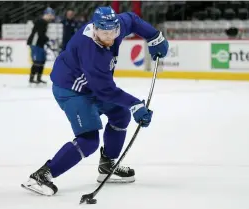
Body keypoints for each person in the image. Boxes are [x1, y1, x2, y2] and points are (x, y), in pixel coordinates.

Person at [21, 6, 169, 196]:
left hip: (92, 86)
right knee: (88, 140)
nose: (109, 37)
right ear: (94, 29)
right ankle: (41, 176)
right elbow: (106, 91)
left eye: (113, 32)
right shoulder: (90, 50)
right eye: (104, 33)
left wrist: (155, 37)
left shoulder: (115, 26)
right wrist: (136, 104)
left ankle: (107, 165)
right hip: (71, 90)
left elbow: (132, 19)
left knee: (120, 114)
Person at [27, 7, 55, 84]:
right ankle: (32, 78)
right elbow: (40, 34)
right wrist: (48, 40)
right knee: (37, 61)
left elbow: (42, 34)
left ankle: (38, 78)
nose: (52, 17)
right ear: (48, 14)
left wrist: (47, 40)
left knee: (42, 60)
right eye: (51, 15)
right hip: (35, 43)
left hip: (40, 43)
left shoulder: (44, 22)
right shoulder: (41, 22)